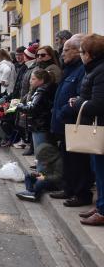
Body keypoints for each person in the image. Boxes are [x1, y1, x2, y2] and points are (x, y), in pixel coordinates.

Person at [48, 34, 93, 207]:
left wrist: (62, 111)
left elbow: (81, 96)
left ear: (77, 51)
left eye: (66, 49)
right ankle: (69, 188)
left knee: (78, 161)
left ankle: (81, 194)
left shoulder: (82, 69)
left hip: (74, 122)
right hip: (64, 122)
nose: (62, 53)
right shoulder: (70, 69)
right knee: (68, 158)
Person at [68, 34, 104, 226]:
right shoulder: (95, 69)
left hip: (100, 128)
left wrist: (77, 102)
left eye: (81, 52)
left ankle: (103, 210)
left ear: (89, 54)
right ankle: (100, 206)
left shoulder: (100, 71)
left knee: (101, 171)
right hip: (96, 126)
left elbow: (98, 104)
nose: (80, 55)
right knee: (97, 171)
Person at [16, 68, 56, 172]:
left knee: (41, 154)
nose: (30, 81)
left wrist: (19, 106)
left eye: (33, 79)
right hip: (41, 124)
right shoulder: (43, 90)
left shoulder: (41, 91)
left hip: (40, 125)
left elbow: (33, 108)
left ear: (41, 80)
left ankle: (42, 181)